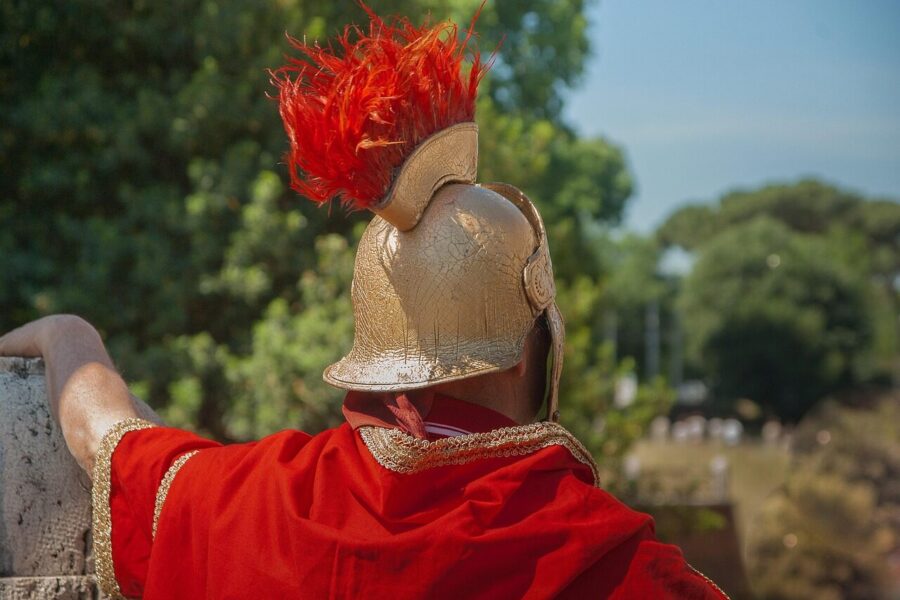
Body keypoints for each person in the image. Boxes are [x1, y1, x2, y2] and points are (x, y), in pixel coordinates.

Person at [0, 6, 728, 599]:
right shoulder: (614, 563)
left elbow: (107, 438)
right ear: (524, 349)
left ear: (379, 349)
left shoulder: (254, 504)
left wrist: (67, 332)